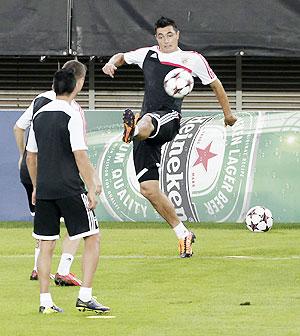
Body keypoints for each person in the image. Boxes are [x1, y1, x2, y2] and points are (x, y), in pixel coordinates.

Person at [102, 16, 237, 258]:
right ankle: (183, 234)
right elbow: (121, 56)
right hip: (145, 129)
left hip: (168, 118)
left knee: (148, 120)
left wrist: (228, 115)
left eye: (170, 35)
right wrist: (111, 63)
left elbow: (216, 84)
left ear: (178, 35)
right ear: (156, 38)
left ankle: (133, 131)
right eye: (161, 36)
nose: (165, 40)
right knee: (148, 189)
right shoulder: (148, 54)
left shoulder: (192, 59)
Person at [26, 68, 110, 314]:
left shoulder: (39, 115)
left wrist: (36, 186)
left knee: (46, 245)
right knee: (92, 237)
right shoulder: (72, 114)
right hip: (70, 188)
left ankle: (45, 302)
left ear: (54, 87)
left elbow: (31, 157)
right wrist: (92, 189)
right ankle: (85, 295)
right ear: (75, 87)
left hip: (45, 190)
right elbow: (80, 157)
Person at [13, 60, 90, 286]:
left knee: (43, 226)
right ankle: (64, 270)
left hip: (31, 170)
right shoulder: (70, 108)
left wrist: (22, 155)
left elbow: (18, 127)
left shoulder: (39, 100)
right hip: (59, 174)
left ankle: (38, 268)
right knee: (79, 225)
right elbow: (78, 150)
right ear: (79, 81)